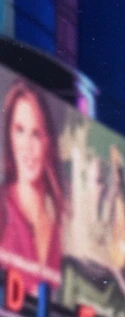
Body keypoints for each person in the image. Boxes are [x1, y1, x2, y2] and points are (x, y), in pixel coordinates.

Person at [0, 80, 63, 293]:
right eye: (19, 130)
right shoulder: (3, 208)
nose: (27, 146)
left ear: (48, 142)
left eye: (36, 134)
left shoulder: (62, 225)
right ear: (9, 135)